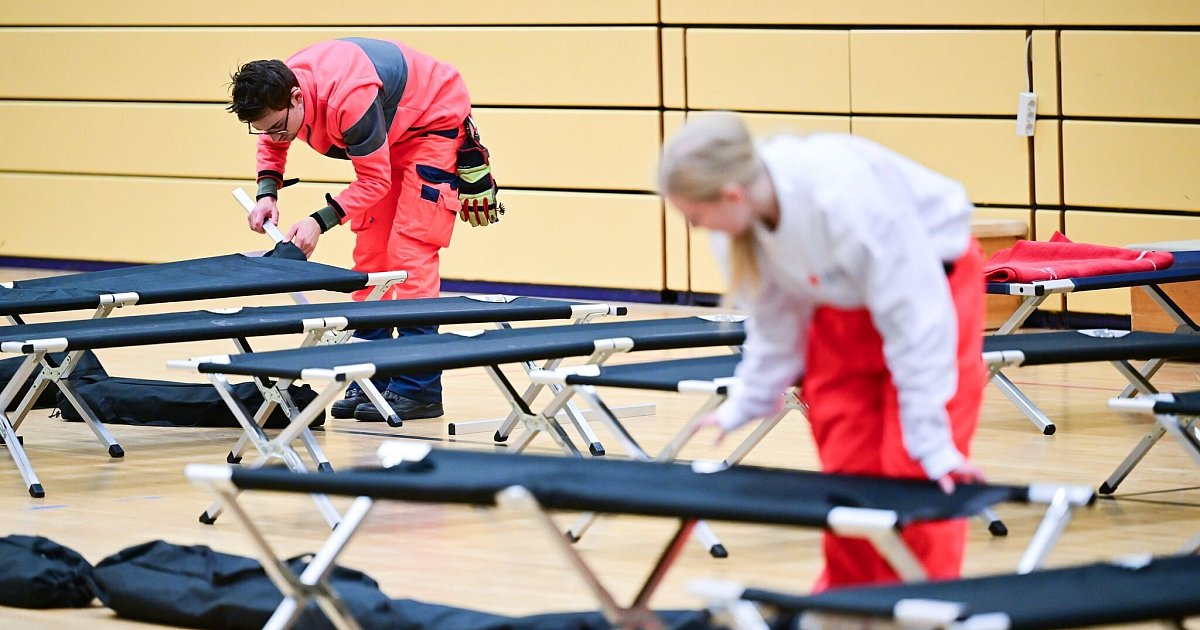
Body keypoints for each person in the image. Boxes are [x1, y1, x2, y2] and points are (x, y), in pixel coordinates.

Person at [659, 113, 987, 589]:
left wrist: (934, 442)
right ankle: (847, 608)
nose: (694, 228)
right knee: (848, 471)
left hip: (934, 290)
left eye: (693, 216)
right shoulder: (734, 228)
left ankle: (920, 607)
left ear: (731, 195)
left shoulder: (844, 200)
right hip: (836, 303)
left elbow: (918, 325)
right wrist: (749, 399)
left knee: (914, 475)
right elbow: (773, 322)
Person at [227, 37, 501, 422]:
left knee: (410, 253)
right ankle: (371, 373)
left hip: (432, 125)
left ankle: (418, 387)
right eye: (262, 129)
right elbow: (274, 145)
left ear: (296, 97)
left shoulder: (348, 98)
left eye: (277, 126)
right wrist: (267, 191)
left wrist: (318, 222)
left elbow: (375, 182)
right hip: (391, 132)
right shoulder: (280, 91)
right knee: (370, 258)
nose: (274, 136)